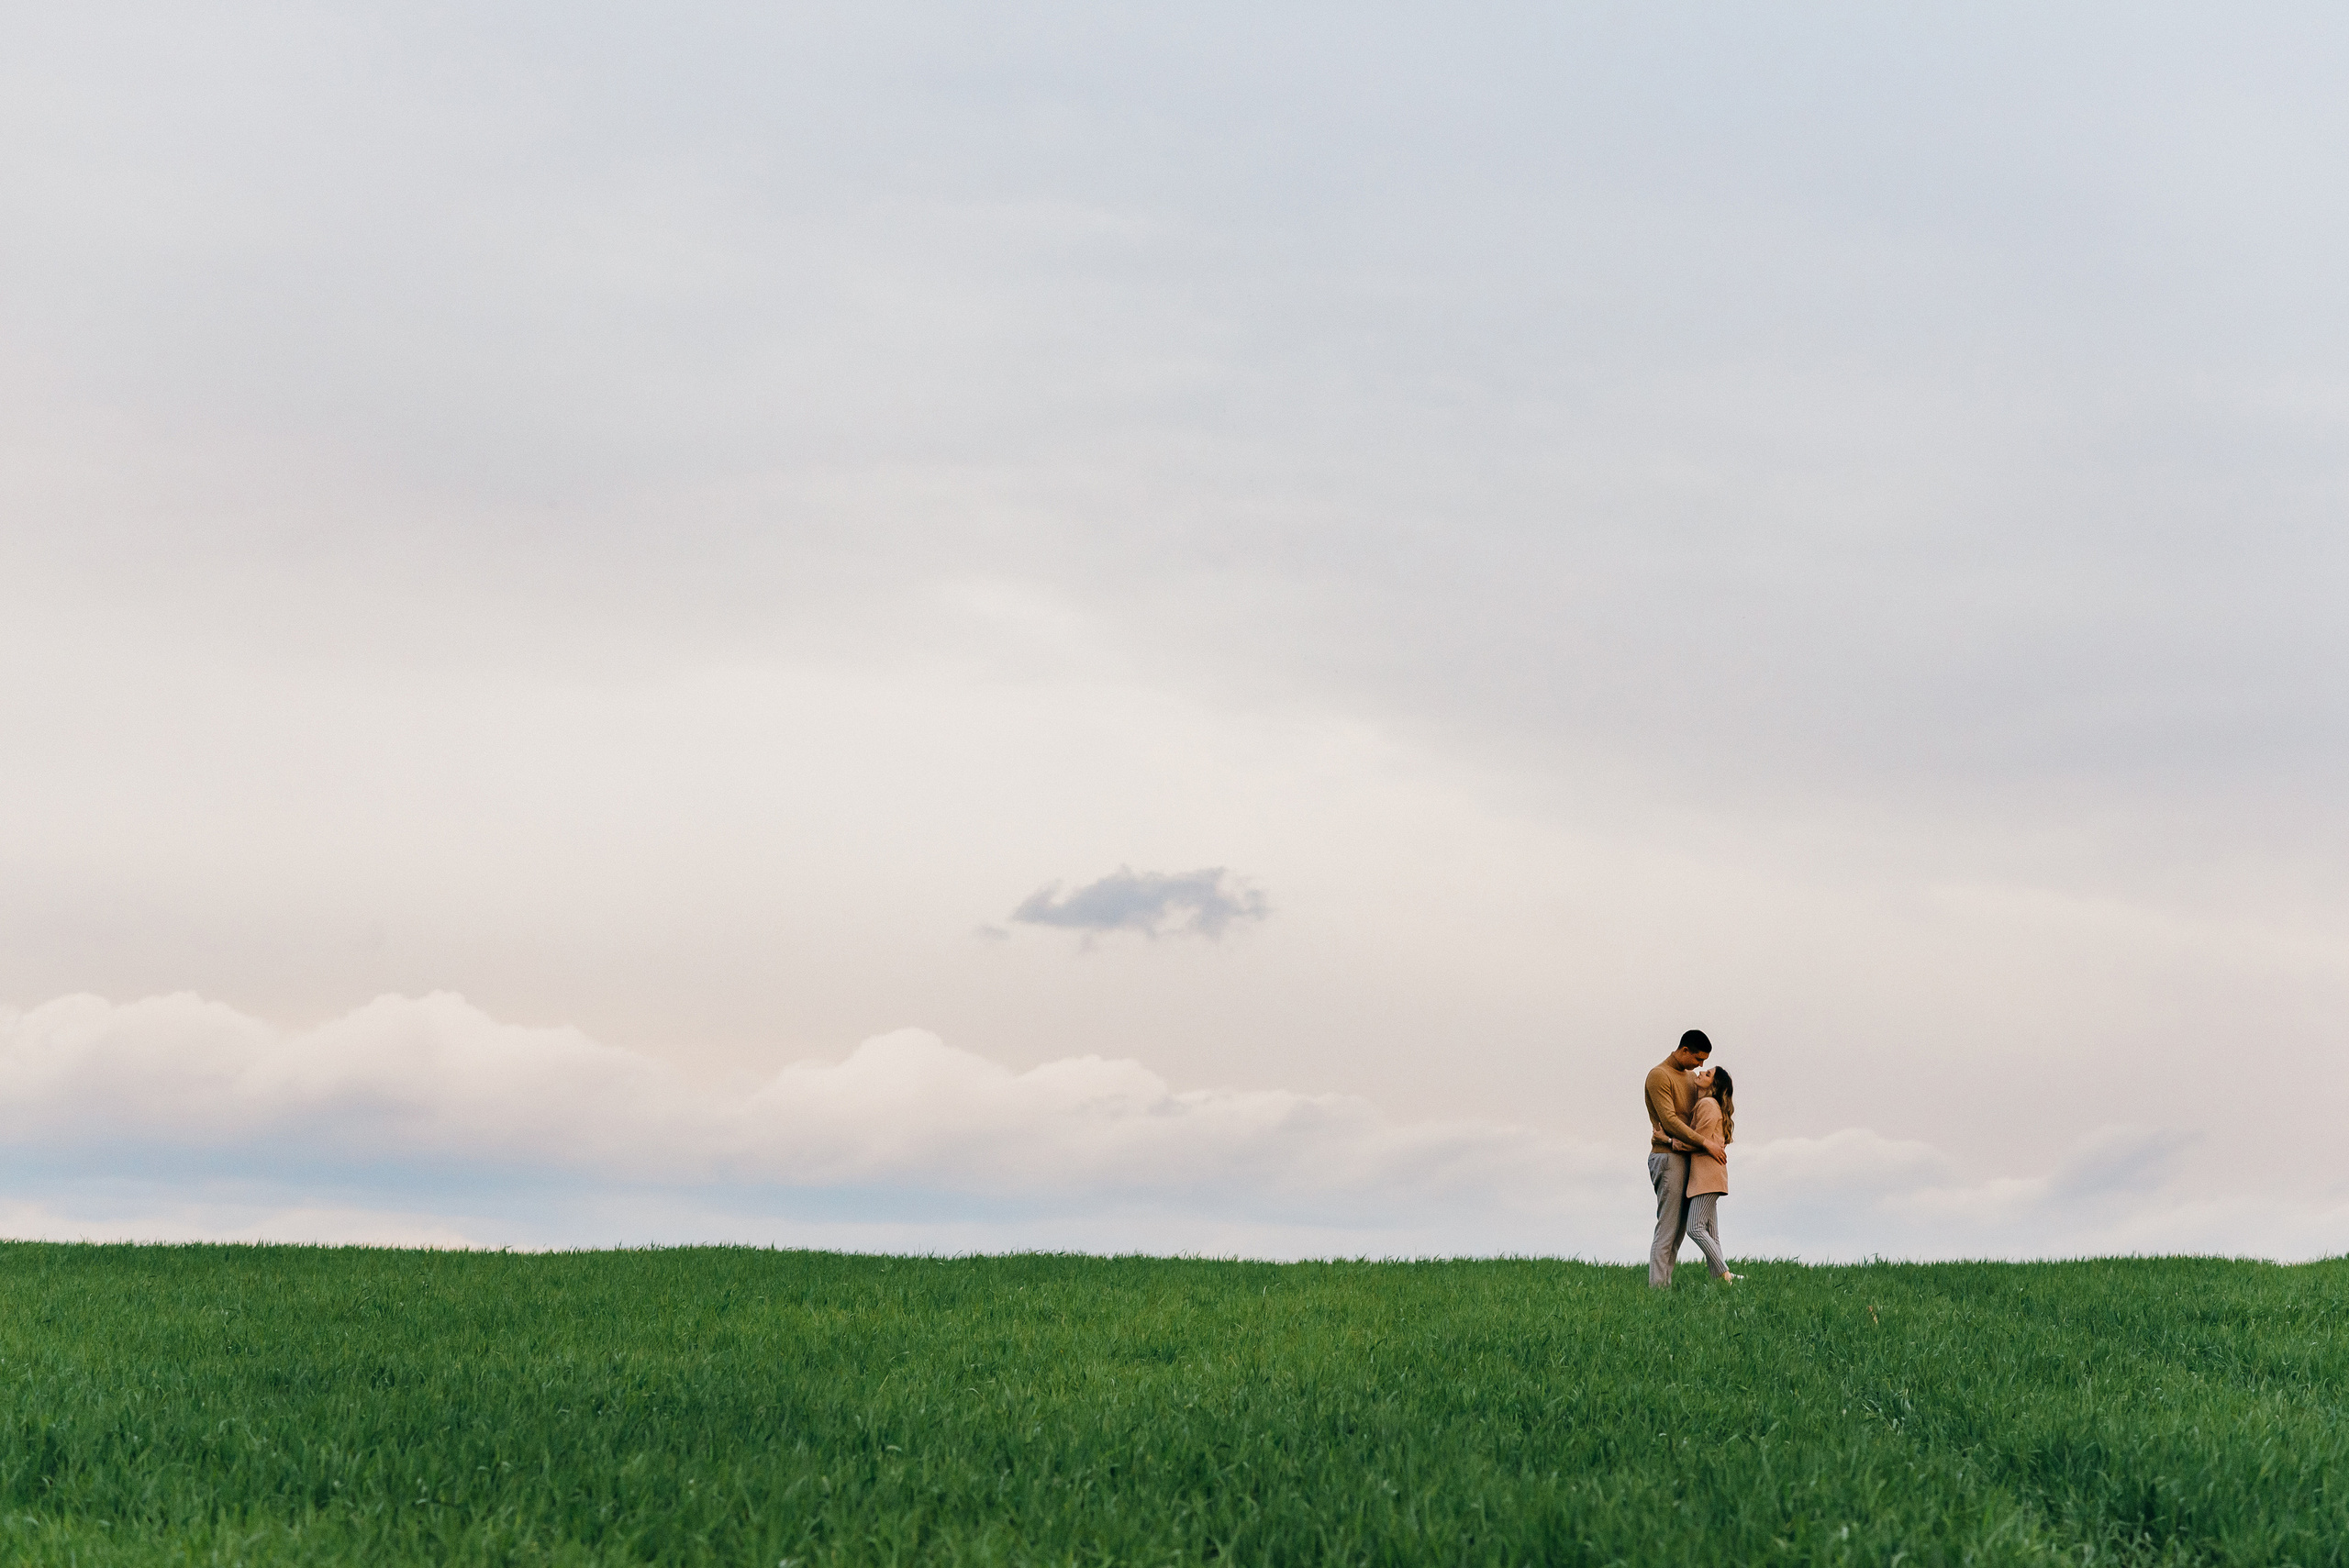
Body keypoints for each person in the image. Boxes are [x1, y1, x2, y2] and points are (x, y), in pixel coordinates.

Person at [1643, 1029, 1725, 1288]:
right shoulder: (1659, 1076)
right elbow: (1669, 1120)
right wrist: (1705, 1143)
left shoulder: (1692, 1078)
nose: (1701, 1066)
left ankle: (1718, 1279)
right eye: (1698, 1059)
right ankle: (1657, 1291)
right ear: (1684, 1050)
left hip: (1687, 1155)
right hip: (1668, 1157)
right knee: (1668, 1229)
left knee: (1681, 1231)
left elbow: (1703, 1114)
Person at [1681, 1066, 1742, 1283]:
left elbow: (1697, 1140)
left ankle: (1725, 1275)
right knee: (1711, 1232)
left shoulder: (1708, 1104)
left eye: (1707, 1074)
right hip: (1713, 1176)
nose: (1701, 1072)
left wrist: (1668, 1141)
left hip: (1707, 1177)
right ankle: (1721, 1281)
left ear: (1714, 1085)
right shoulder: (1711, 1104)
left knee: (1695, 1228)